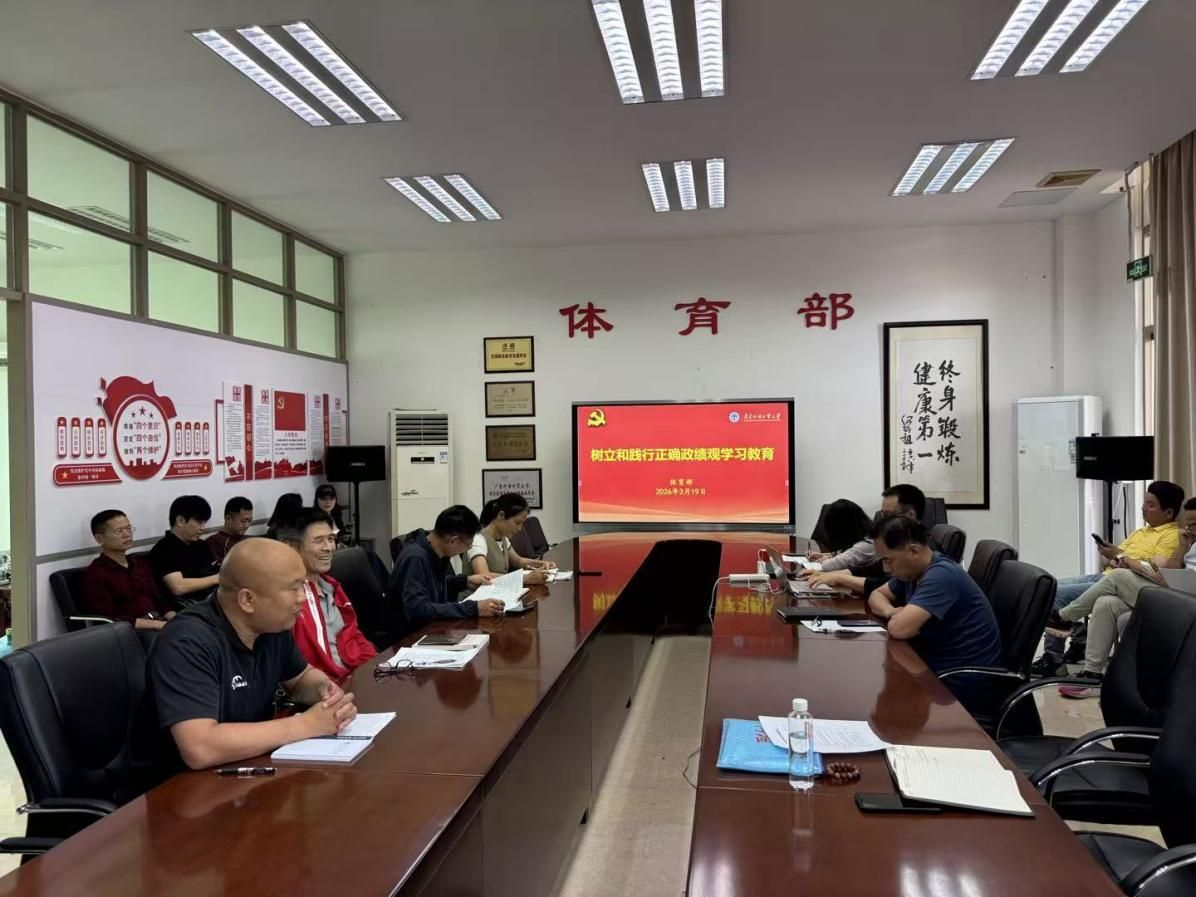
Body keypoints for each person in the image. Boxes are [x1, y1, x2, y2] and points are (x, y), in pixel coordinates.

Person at [146, 538, 358, 776]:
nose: (302, 597)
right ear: (247, 599)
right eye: (294, 588)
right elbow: (200, 747)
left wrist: (324, 691)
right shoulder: (186, 641)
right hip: (177, 785)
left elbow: (300, 678)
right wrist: (306, 725)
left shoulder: (271, 624)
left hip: (246, 767)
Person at [1030, 480, 1184, 677]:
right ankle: (1090, 669)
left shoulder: (1172, 535)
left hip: (1127, 583)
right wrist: (1113, 556)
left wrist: (1121, 558)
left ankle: (1055, 654)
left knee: (1057, 594)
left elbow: (1154, 570)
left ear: (1168, 513)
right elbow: (1113, 560)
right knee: (1056, 586)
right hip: (1107, 578)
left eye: (1150, 504)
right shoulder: (1140, 532)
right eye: (1144, 502)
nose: (1143, 508)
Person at [1052, 497, 1196, 693]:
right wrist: (1182, 547)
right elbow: (1171, 573)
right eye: (1187, 524)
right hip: (1171, 595)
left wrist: (1128, 562)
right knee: (1106, 603)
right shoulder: (1187, 543)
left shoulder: (1168, 535)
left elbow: (1163, 576)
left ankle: (1064, 617)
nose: (1189, 530)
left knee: (1118, 577)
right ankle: (1091, 675)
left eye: (1194, 525)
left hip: (1185, 604)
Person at [867, 516, 1003, 711]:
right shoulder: (914, 571)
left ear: (913, 551)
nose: (886, 568)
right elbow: (876, 595)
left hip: (957, 685)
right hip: (933, 669)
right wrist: (891, 611)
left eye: (888, 560)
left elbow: (899, 629)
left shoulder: (941, 575)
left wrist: (896, 619)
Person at [277, 508, 377, 679]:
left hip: (357, 677)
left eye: (331, 539)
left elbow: (354, 636)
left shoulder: (331, 587)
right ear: (289, 546)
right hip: (327, 686)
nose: (329, 548)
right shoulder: (285, 599)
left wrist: (377, 667)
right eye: (319, 541)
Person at [382, 505, 502, 645]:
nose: (465, 550)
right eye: (467, 546)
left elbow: (430, 585)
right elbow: (418, 609)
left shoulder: (432, 551)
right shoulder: (415, 558)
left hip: (429, 631)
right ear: (453, 540)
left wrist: (466, 581)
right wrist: (473, 608)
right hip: (409, 640)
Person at [804, 484, 939, 594]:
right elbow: (873, 570)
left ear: (910, 515)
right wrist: (828, 575)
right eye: (882, 515)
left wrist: (839, 577)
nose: (883, 521)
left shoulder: (923, 548)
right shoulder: (898, 542)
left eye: (889, 515)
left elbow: (885, 585)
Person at [81, 510, 176, 630]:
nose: (127, 534)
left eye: (129, 529)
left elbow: (159, 598)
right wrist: (157, 625)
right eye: (119, 531)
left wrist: (175, 619)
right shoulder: (96, 574)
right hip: (131, 631)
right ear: (100, 539)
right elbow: (109, 618)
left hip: (159, 622)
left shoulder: (139, 564)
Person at [465, 493, 555, 589]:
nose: (520, 529)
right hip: (476, 596)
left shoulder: (503, 539)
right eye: (517, 522)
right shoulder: (478, 539)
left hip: (497, 593)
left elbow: (519, 561)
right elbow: (484, 576)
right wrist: (525, 578)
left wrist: (541, 564)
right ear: (501, 515)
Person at [148, 495, 221, 605]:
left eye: (204, 522)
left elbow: (213, 569)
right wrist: (216, 579)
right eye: (199, 522)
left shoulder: (202, 545)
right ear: (180, 521)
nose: (203, 528)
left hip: (211, 599)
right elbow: (178, 587)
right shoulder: (163, 549)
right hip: (184, 606)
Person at [802, 498, 875, 573]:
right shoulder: (862, 537)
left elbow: (828, 566)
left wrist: (825, 560)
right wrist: (823, 555)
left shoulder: (865, 545)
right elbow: (844, 553)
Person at [207, 496, 253, 565]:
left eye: (250, 521)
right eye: (243, 521)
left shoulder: (250, 540)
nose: (247, 525)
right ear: (228, 519)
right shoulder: (213, 543)